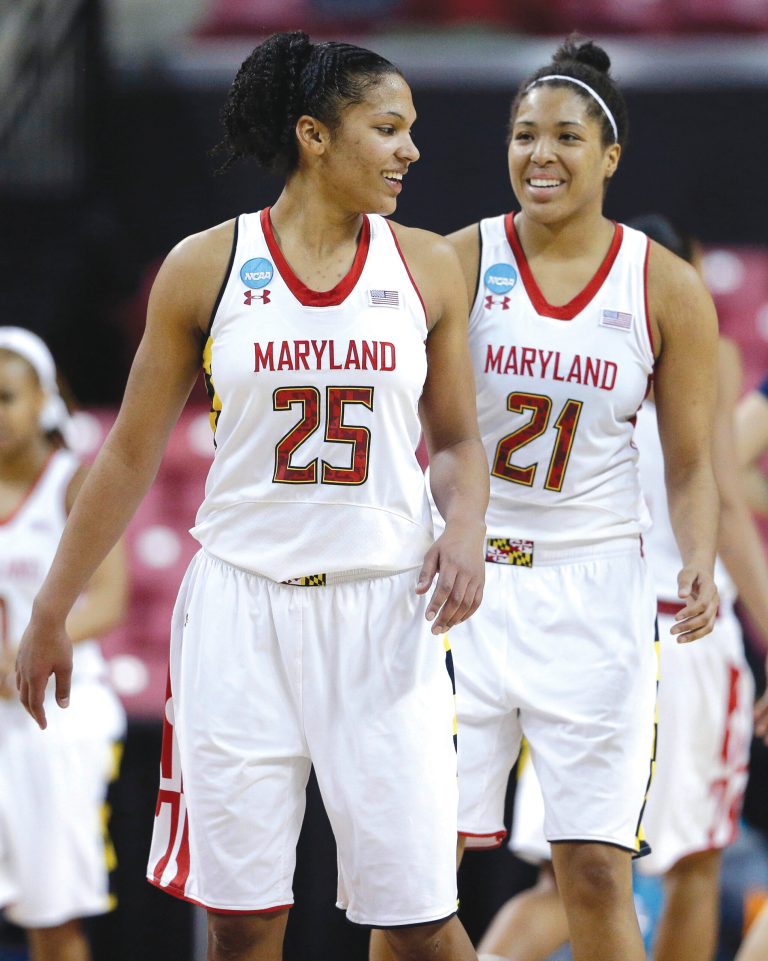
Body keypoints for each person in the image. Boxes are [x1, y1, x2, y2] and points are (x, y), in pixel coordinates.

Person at [15, 32, 489, 961]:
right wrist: (51, 606)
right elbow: (125, 456)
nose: (412, 150)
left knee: (422, 920)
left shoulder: (429, 265)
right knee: (239, 922)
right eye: (388, 128)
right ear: (315, 136)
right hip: (240, 612)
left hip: (383, 610)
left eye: (412, 130)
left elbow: (463, 441)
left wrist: (466, 520)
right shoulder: (206, 265)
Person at [373, 38, 721, 961]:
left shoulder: (666, 286)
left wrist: (698, 554)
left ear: (610, 154)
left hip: (596, 596)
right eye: (524, 134)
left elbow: (691, 463)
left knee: (597, 874)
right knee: (410, 876)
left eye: (567, 136)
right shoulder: (457, 259)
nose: (541, 154)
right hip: (461, 586)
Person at [476, 214, 768, 961]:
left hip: (578, 621)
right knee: (692, 866)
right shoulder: (706, 352)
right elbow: (726, 503)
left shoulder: (556, 341)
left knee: (562, 883)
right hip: (682, 630)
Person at [0, 327, 127, 961]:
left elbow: (109, 596)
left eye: (5, 396)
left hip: (51, 716)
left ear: (44, 400)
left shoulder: (73, 484)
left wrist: (26, 650)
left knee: (50, 916)